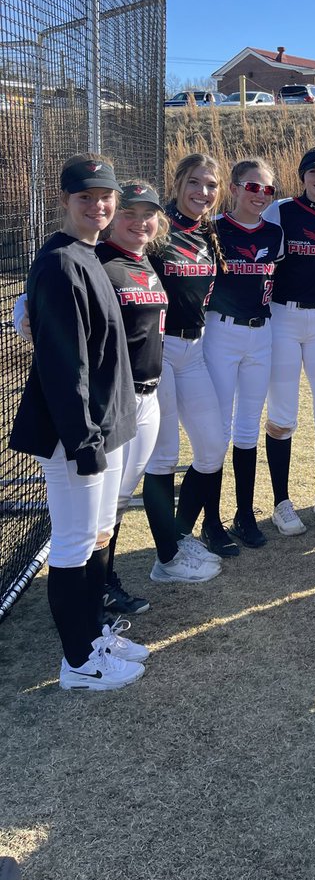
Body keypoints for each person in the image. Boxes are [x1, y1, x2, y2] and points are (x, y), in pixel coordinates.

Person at [9, 155, 145, 690]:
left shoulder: (85, 254)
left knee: (95, 536)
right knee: (72, 544)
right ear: (65, 201)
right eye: (85, 197)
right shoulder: (62, 261)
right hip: (76, 436)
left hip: (101, 427)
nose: (98, 205)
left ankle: (94, 635)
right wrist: (85, 441)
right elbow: (66, 367)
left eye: (105, 195)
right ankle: (79, 663)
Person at [142, 154, 235, 561]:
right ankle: (168, 557)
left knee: (213, 447)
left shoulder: (206, 234)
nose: (203, 192)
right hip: (158, 351)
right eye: (195, 182)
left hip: (194, 351)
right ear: (178, 182)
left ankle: (180, 535)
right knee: (163, 456)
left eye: (212, 185)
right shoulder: (157, 229)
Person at [261, 147, 315, 532]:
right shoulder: (280, 210)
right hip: (283, 316)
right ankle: (282, 501)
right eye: (314, 172)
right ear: (302, 176)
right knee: (282, 415)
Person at [204, 159, 284, 547]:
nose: (259, 195)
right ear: (233, 188)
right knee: (218, 429)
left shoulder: (274, 233)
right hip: (222, 332)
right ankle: (211, 520)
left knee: (248, 426)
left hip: (262, 333)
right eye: (252, 187)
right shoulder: (213, 229)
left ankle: (244, 513)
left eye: (267, 190)